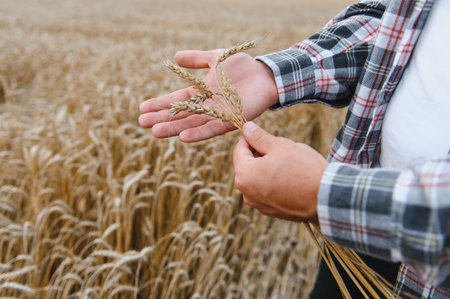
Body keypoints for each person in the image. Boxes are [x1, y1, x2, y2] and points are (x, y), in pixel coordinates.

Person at [139, 0, 450, 297]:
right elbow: (402, 22)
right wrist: (272, 74)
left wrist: (326, 195)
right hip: (355, 236)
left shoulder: (333, 198)